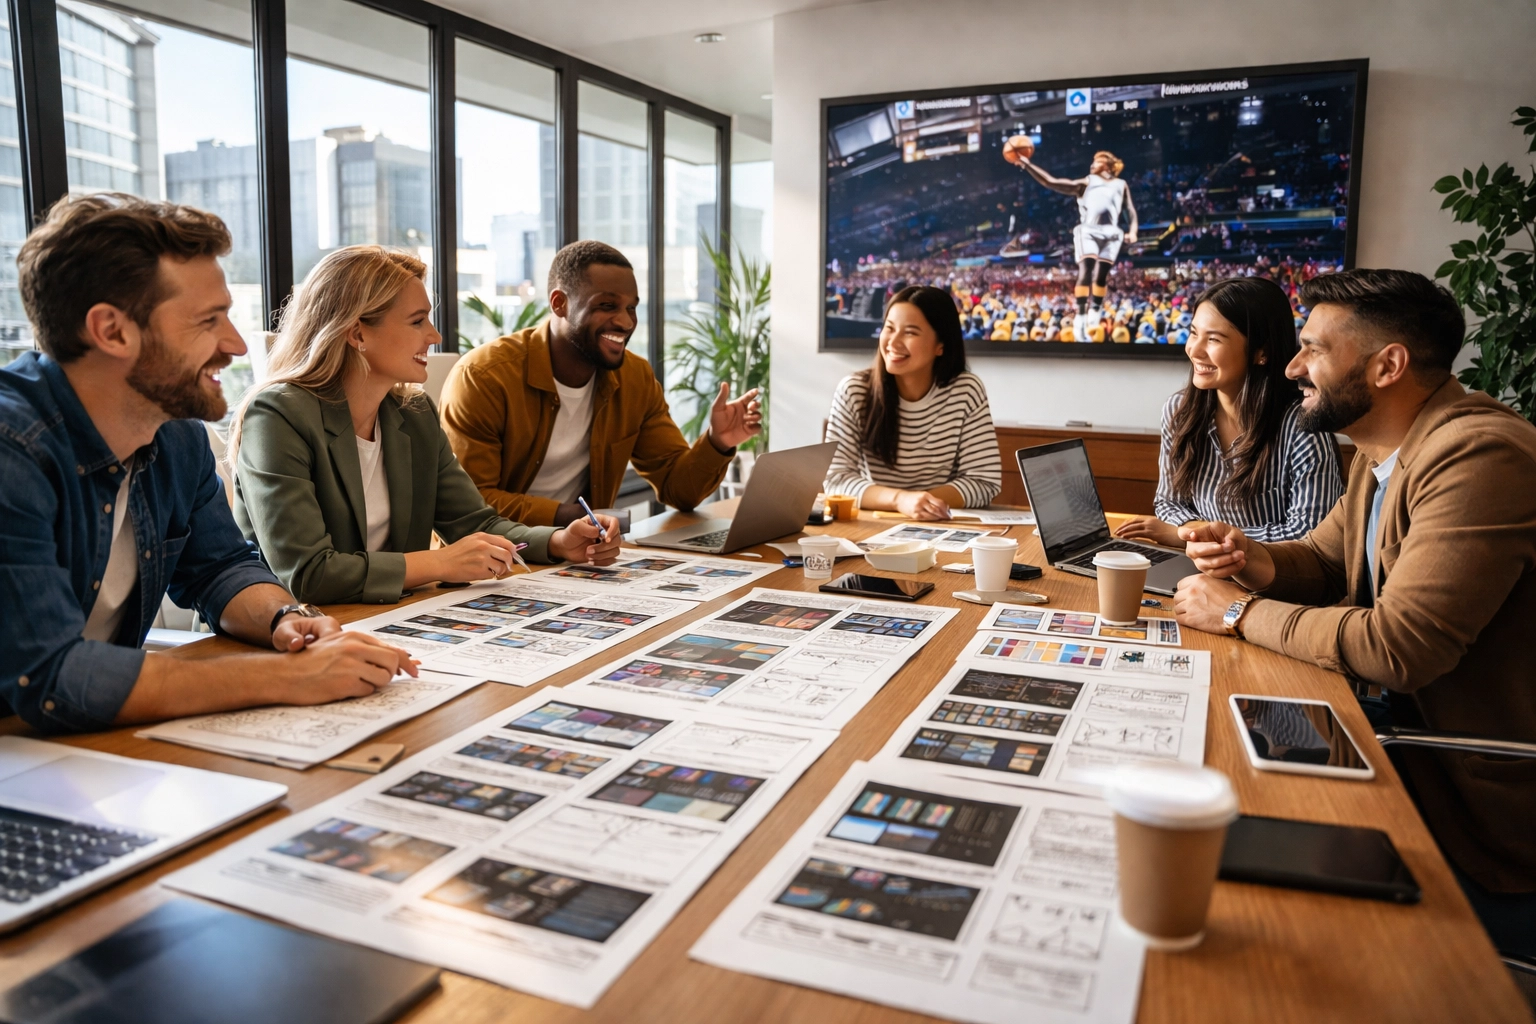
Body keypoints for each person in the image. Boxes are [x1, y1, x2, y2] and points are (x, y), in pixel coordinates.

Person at [1172, 269, 1536, 950]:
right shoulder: (1382, 450)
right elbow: (1322, 559)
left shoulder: (1478, 455)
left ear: (1388, 364)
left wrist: (1237, 614)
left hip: (1471, 806)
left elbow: (1400, 648)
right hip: (1392, 742)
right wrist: (1250, 556)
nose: (1292, 365)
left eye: (1312, 348)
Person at [0, 193, 417, 733]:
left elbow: (219, 567)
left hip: (98, 740)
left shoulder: (175, 433)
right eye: (208, 320)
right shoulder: (13, 450)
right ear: (110, 330)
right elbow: (54, 677)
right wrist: (289, 679)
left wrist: (287, 618)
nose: (237, 344)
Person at [231, 247, 617, 606]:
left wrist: (558, 541)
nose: (434, 335)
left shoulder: (413, 413)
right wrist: (440, 564)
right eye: (418, 321)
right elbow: (309, 573)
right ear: (357, 333)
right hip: (283, 635)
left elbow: (474, 523)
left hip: (378, 619)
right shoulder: (277, 416)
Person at [439, 240, 761, 527]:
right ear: (559, 304)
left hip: (582, 560)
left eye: (631, 307)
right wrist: (571, 518)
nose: (625, 321)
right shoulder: (484, 377)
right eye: (607, 306)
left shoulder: (634, 378)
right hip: (494, 564)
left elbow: (680, 490)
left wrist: (719, 442)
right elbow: (470, 507)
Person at [1116, 276, 1343, 547]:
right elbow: (1168, 503)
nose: (1195, 350)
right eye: (1194, 333)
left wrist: (1184, 535)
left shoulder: (1303, 427)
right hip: (1198, 568)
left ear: (1262, 352)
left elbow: (1310, 536)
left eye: (1213, 339)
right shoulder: (1179, 411)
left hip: (1277, 584)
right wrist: (1201, 536)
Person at [824, 285, 1002, 520]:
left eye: (910, 332)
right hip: (874, 525)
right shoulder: (854, 391)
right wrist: (901, 500)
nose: (893, 342)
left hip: (942, 523)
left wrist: (921, 503)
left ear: (941, 345)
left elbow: (984, 481)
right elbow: (836, 481)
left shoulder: (965, 390)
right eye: (889, 328)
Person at [1013, 149, 1138, 343]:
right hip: (1089, 230)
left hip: (1112, 232)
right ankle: (1080, 317)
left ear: (1107, 164)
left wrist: (1133, 231)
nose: (1091, 165)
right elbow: (1050, 182)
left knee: (1101, 274)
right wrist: (1028, 165)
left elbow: (1130, 209)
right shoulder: (1087, 182)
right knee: (1087, 268)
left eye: (1096, 162)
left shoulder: (1121, 185)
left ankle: (1094, 312)